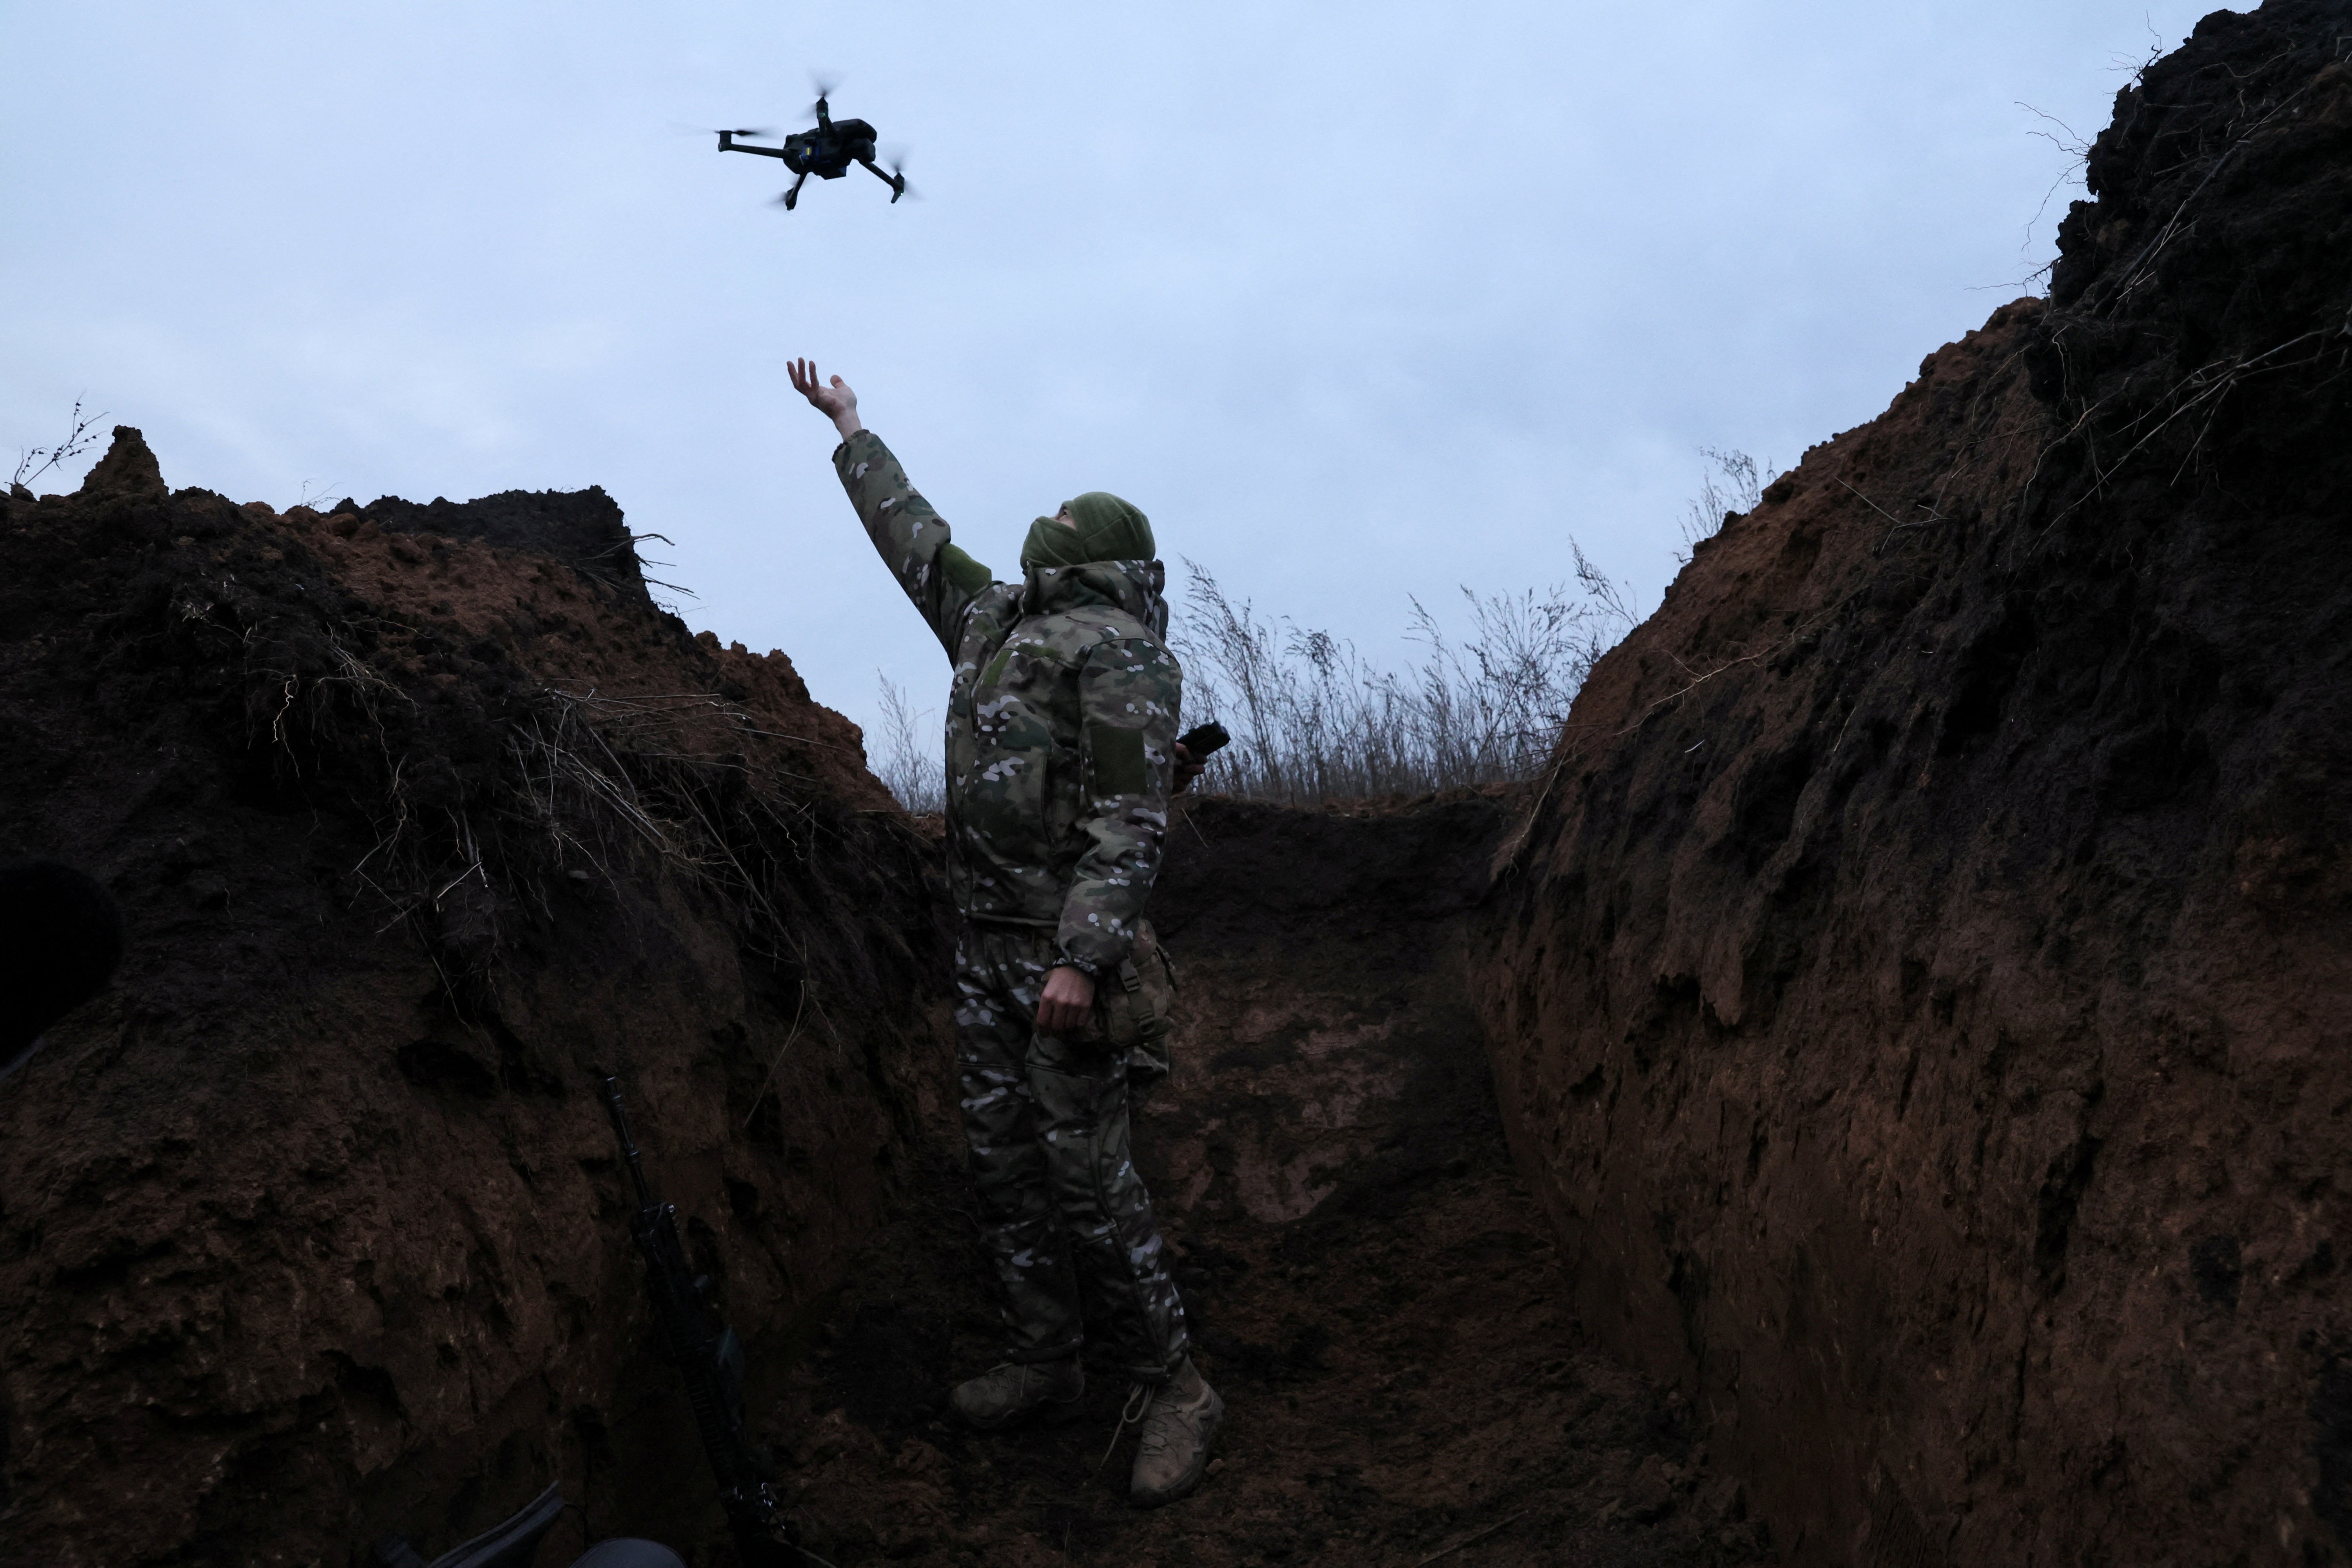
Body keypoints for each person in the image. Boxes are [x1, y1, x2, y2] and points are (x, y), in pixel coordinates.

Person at [787, 358, 1221, 1506]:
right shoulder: (991, 619)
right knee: (1005, 1169)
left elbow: (1133, 826)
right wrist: (852, 430)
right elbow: (914, 540)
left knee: (1091, 1177)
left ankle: (1176, 1387)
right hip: (979, 952)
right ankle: (1047, 1360)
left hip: (1060, 963)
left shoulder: (1121, 650)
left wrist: (1083, 959)